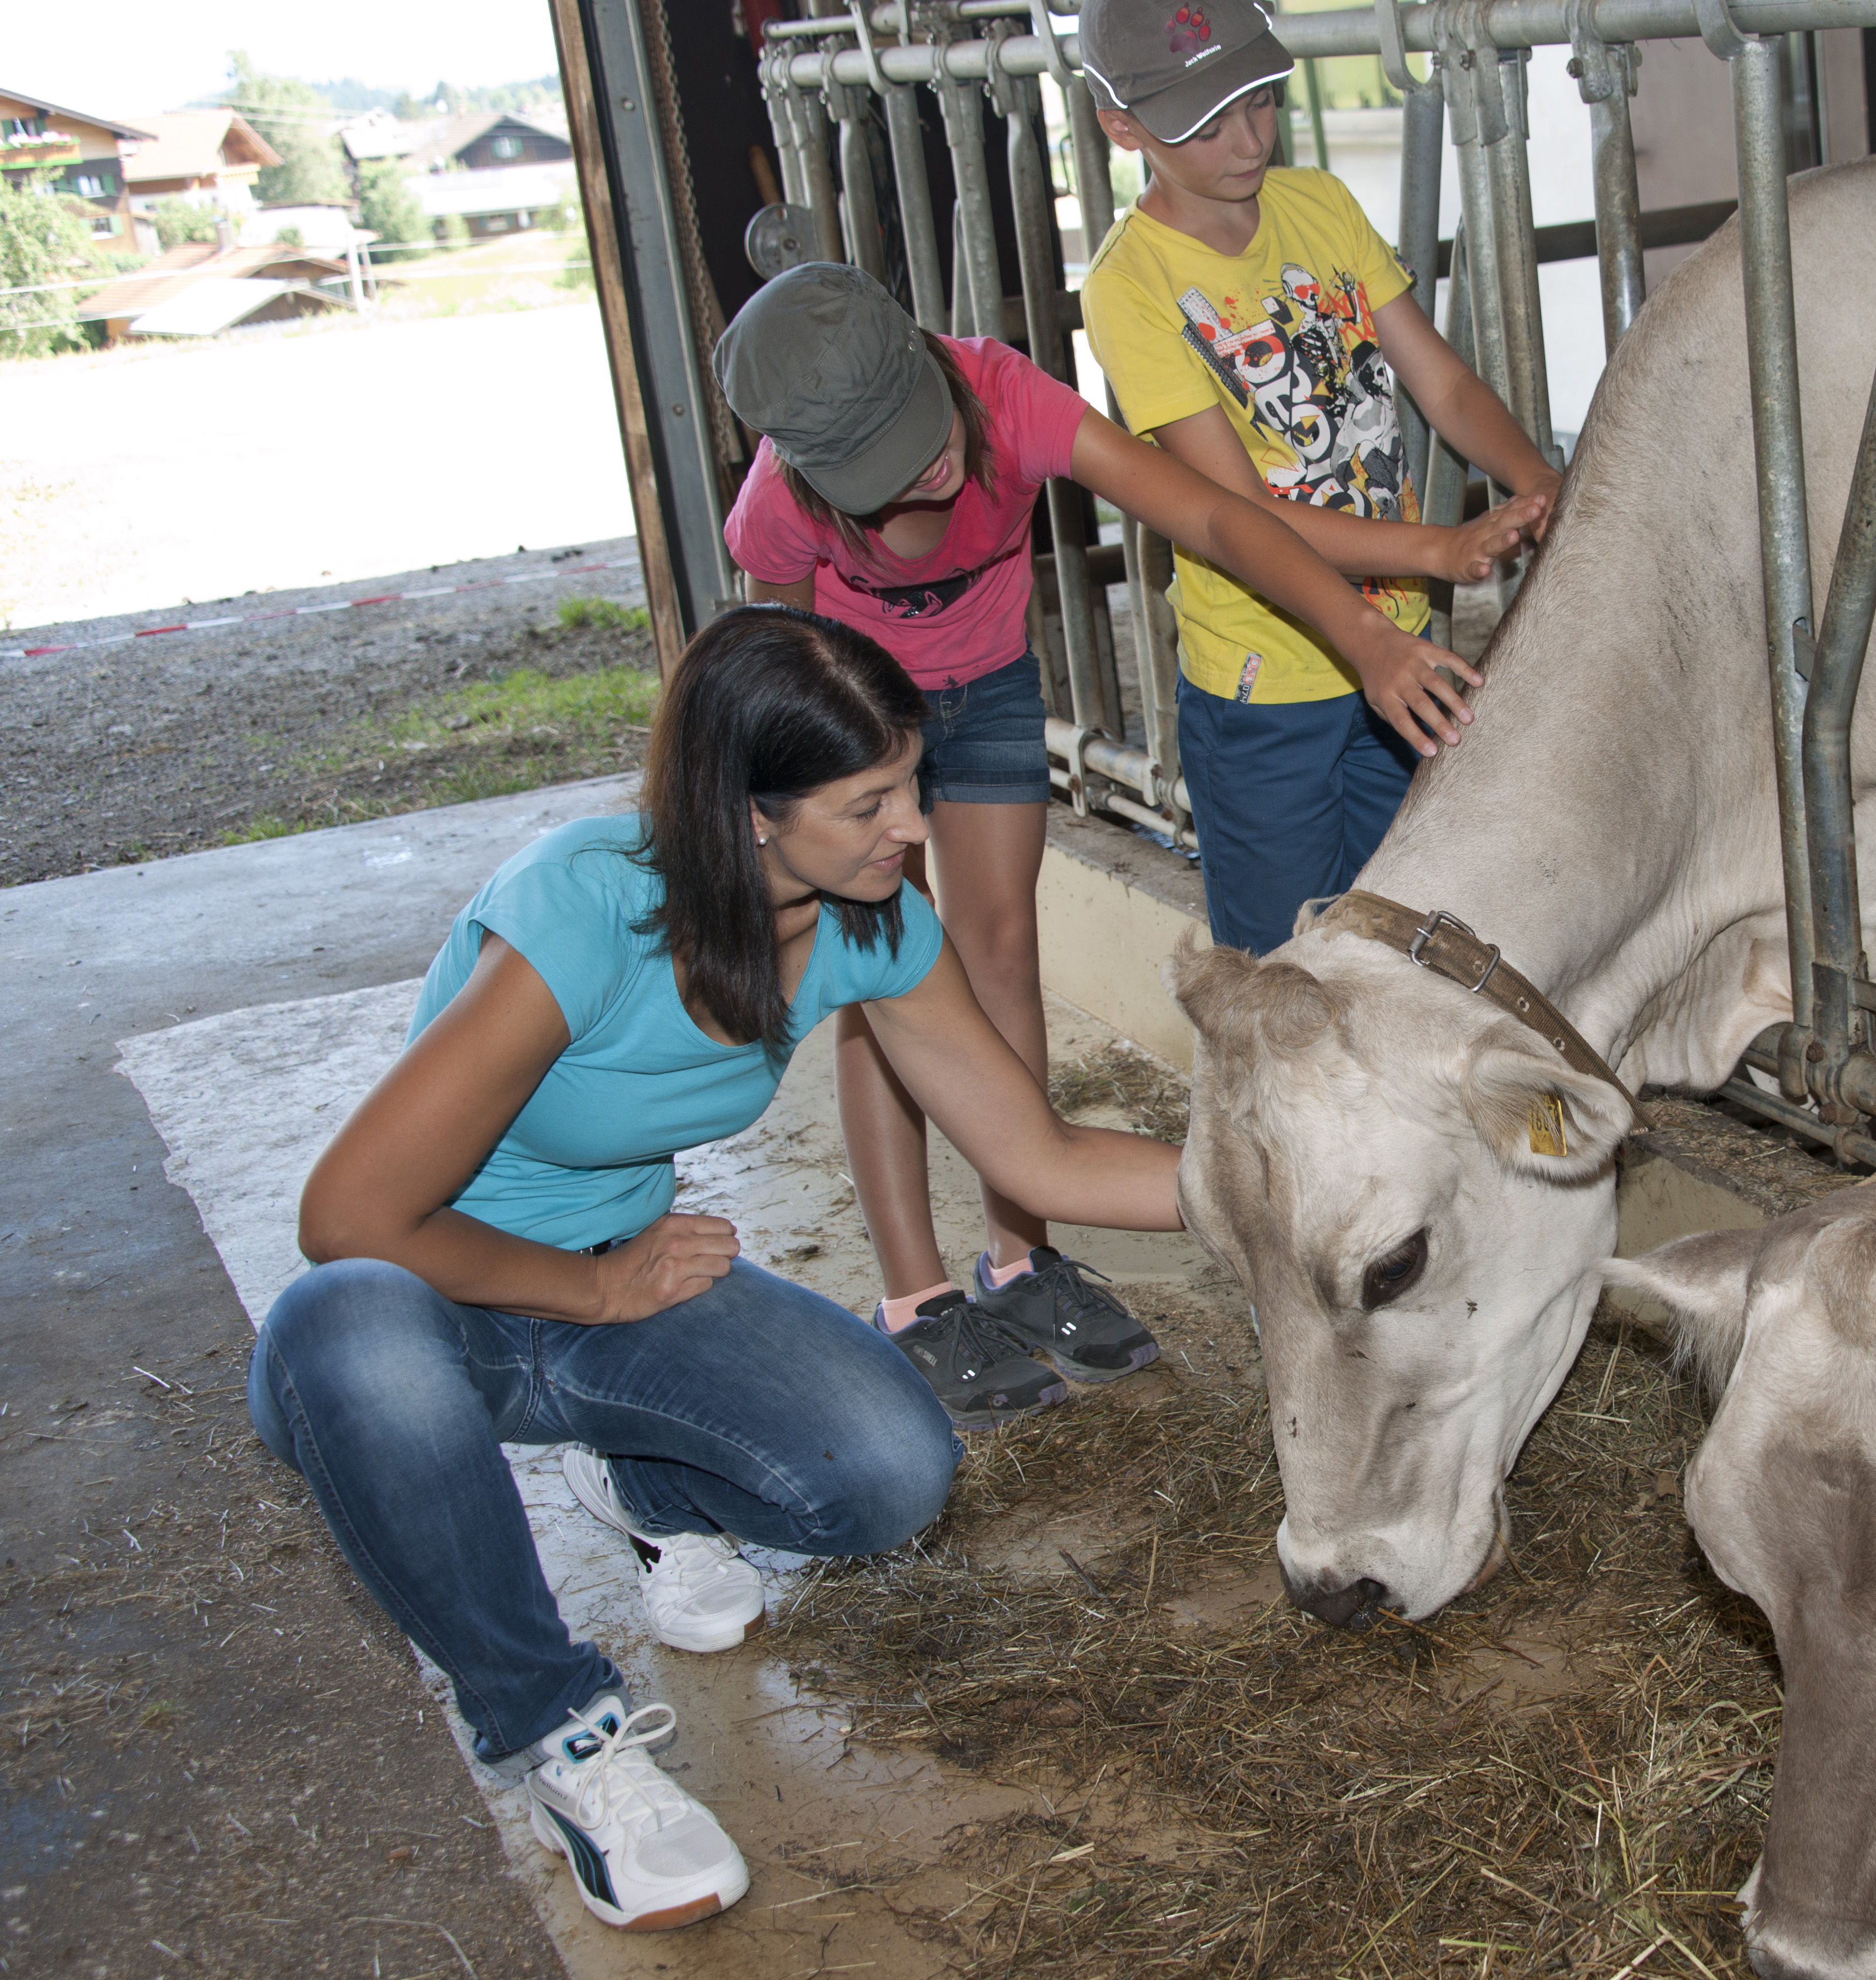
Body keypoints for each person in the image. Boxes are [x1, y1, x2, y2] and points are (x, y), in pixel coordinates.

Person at [247, 606, 1183, 1932]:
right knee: (347, 1330)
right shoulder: (584, 909)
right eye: (865, 803)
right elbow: (346, 1215)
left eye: (910, 784)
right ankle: (560, 1739)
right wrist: (594, 1290)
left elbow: (1040, 1152)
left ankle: (643, 1480)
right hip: (447, 1304)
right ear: (749, 814)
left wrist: (1266, 1182)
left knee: (891, 1473)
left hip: (626, 1295)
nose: (909, 826)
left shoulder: (871, 925)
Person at [714, 262, 1492, 1417]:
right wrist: (822, 808)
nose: (918, 469)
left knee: (999, 946)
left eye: (914, 432)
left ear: (925, 358)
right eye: (872, 466)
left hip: (986, 689)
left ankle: (1019, 1256)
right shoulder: (781, 505)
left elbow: (1217, 514)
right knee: (878, 977)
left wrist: (1366, 633)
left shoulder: (1004, 399)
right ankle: (913, 1297)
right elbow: (779, 661)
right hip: (860, 726)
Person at [1076, 0, 1564, 958]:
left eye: (1258, 101)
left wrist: (1539, 482)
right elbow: (1241, 513)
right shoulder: (1128, 286)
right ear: (1121, 128)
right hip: (1266, 685)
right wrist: (1438, 547)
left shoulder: (1320, 207)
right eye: (1206, 125)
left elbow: (1444, 382)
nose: (1247, 140)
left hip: (1405, 647)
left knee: (1418, 939)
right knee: (1287, 970)